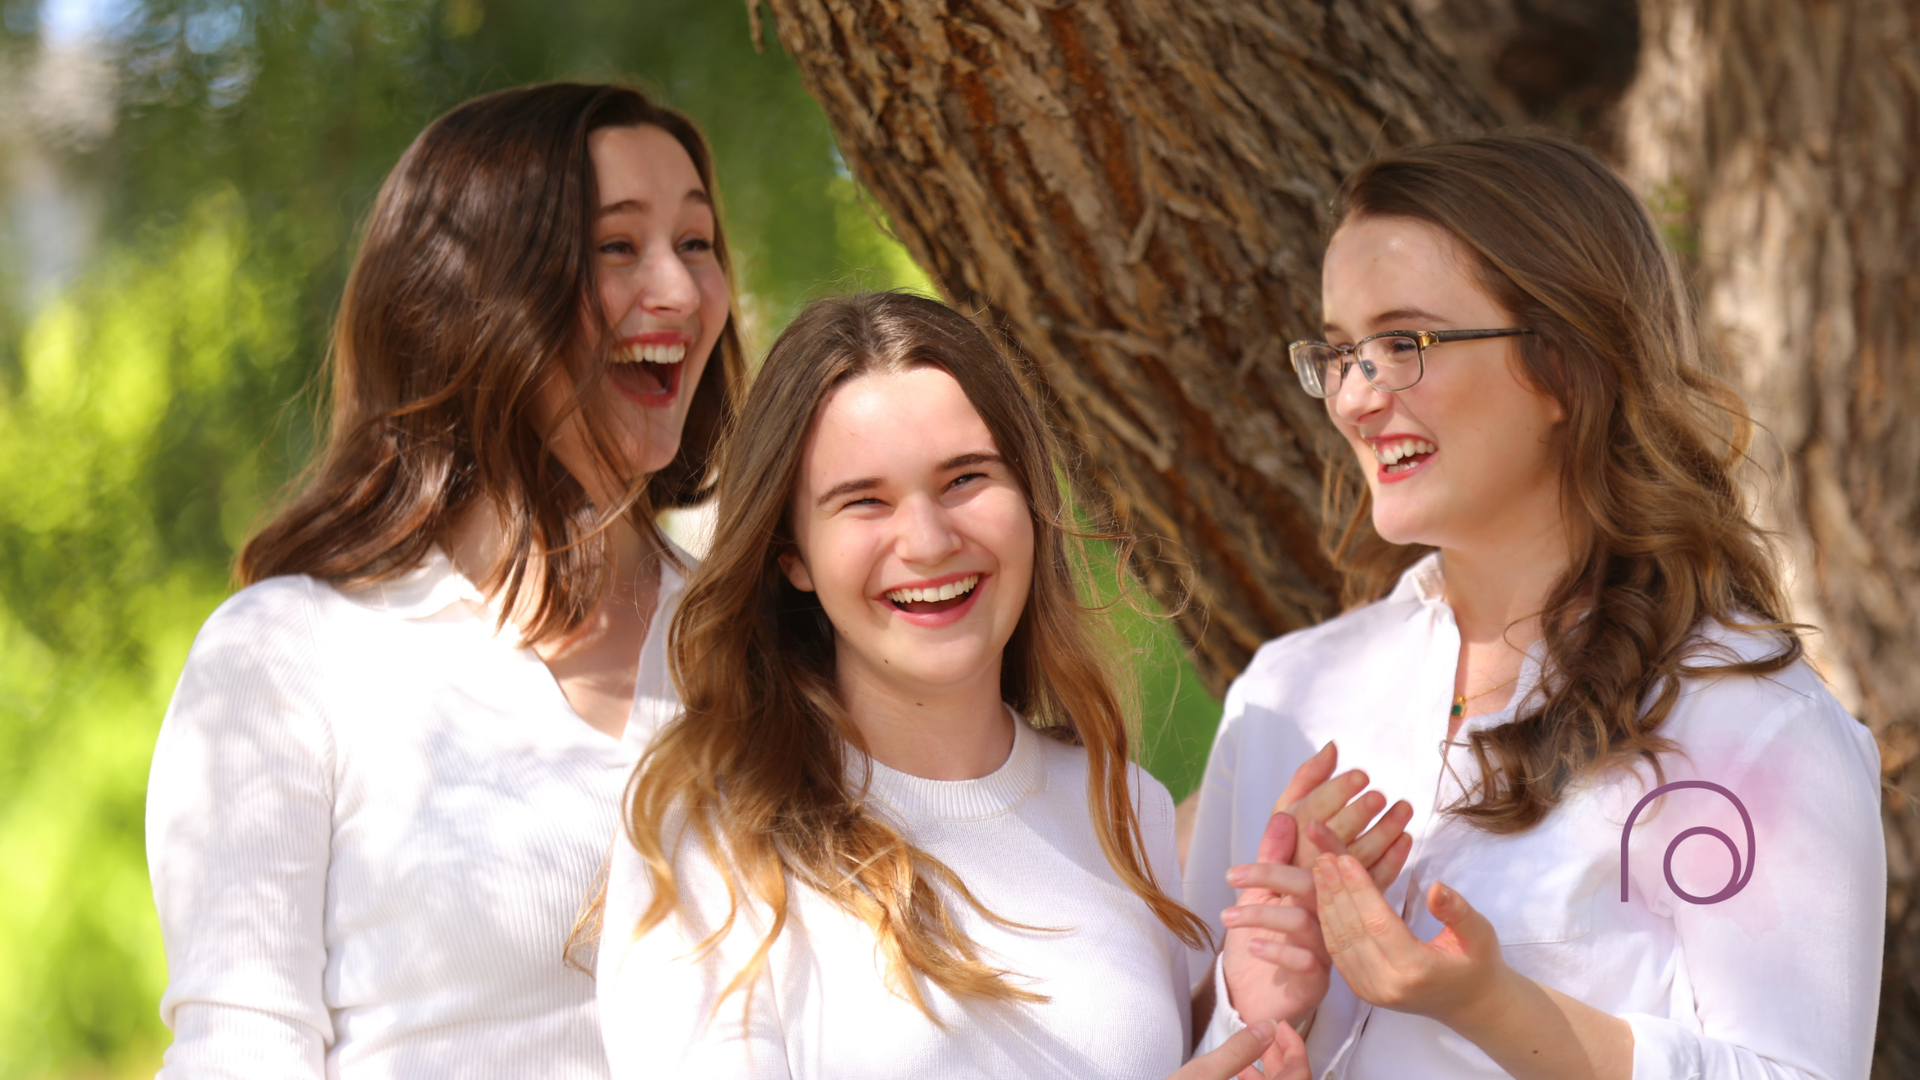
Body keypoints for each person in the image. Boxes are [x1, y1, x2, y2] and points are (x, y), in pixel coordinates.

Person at [1184, 132, 1885, 1080]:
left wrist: (1494, 1005)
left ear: (1564, 364)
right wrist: (1263, 1005)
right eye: (1343, 351)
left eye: (1404, 343)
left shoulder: (1748, 727)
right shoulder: (1289, 697)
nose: (1354, 397)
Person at [144, 82, 744, 1078]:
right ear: (479, 295)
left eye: (695, 242)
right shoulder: (290, 656)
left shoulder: (759, 635)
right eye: (616, 246)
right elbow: (239, 1048)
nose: (679, 292)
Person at [595, 291, 1323, 1080]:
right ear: (791, 554)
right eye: (863, 501)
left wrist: (1251, 1013)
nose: (931, 541)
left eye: (965, 479)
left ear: (1032, 502)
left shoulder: (1124, 806)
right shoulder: (710, 833)